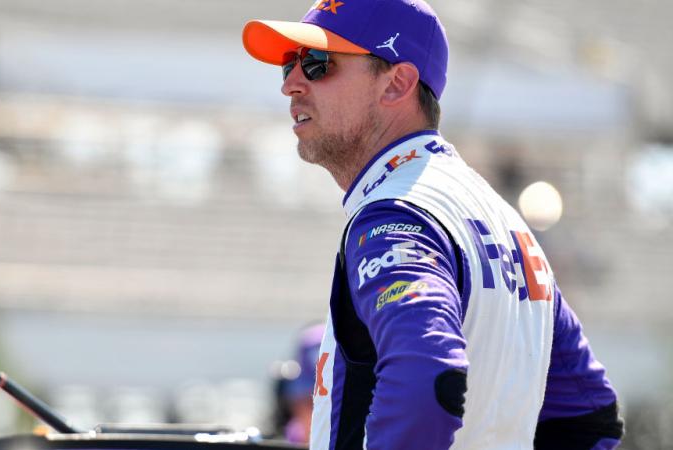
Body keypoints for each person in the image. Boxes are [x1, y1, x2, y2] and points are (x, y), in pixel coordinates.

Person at [241, 1, 624, 449]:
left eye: (316, 63)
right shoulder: (509, 226)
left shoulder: (397, 212)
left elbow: (426, 377)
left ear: (397, 83)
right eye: (289, 64)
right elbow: (588, 415)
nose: (290, 83)